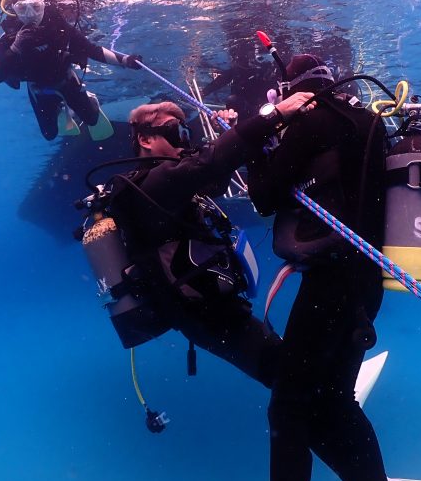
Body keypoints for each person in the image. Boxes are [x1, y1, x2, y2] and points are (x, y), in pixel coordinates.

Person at [243, 54, 402, 481]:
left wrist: (265, 141)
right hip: (367, 285)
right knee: (333, 398)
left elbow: (264, 197)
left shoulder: (310, 122)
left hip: (329, 286)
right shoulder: (370, 121)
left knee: (287, 412)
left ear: (294, 91)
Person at [103, 91, 313, 387]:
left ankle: (311, 398)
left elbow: (213, 180)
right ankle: (315, 409)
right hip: (202, 313)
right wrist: (274, 116)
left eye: (187, 133)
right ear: (146, 140)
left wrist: (235, 136)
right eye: (176, 133)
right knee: (284, 374)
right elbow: (208, 164)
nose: (184, 143)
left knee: (279, 366)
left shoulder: (165, 184)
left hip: (207, 307)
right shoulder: (150, 185)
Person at [0, 0, 141, 140]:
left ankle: (90, 100)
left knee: (92, 120)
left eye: (36, 6)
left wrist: (125, 60)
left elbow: (90, 49)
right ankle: (60, 108)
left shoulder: (59, 27)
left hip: (65, 80)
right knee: (50, 135)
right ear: (13, 9)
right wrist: (16, 47)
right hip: (37, 88)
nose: (30, 14)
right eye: (22, 8)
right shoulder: (10, 37)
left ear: (43, 5)